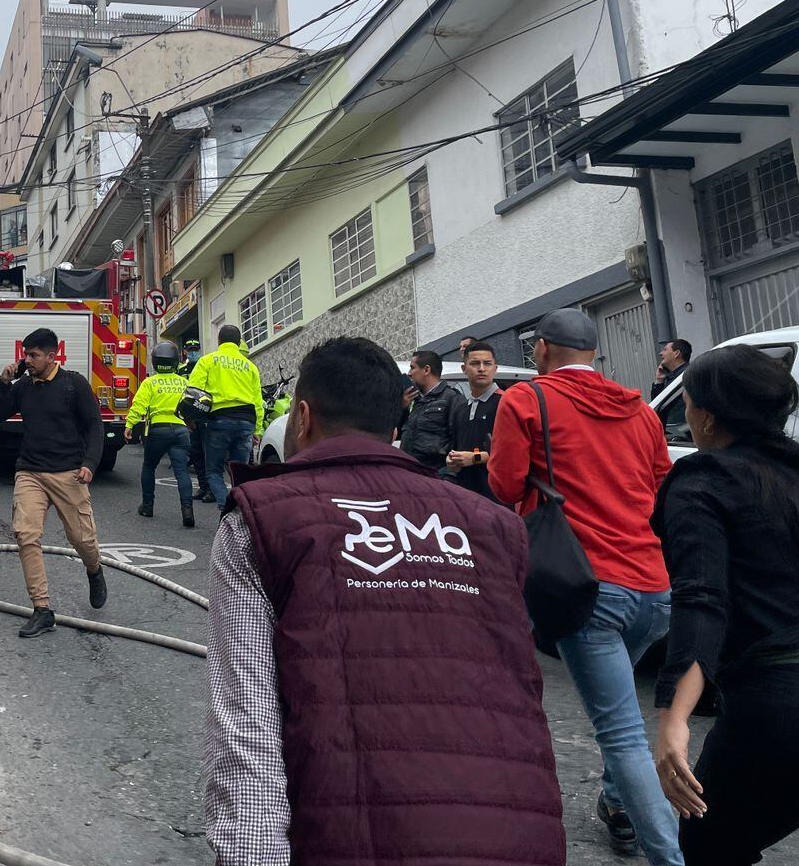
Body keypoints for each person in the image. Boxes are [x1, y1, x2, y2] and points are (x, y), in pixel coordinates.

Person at [202, 335, 564, 866]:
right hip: (519, 838)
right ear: (395, 428)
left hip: (353, 841)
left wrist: (252, 854)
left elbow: (246, 714)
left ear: (302, 416)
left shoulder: (264, 519)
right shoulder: (496, 527)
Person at [649, 345, 799, 862]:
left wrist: (672, 720)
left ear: (705, 416)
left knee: (709, 840)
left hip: (785, 710)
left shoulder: (703, 479)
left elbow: (701, 599)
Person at [489, 308, 680, 864]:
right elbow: (662, 487)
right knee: (622, 717)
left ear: (542, 350)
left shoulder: (525, 401)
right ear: (593, 353)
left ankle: (670, 856)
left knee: (621, 733)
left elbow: (502, 485)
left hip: (585, 589)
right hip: (655, 590)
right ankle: (619, 803)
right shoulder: (641, 411)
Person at [0, 326, 107, 638]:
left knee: (82, 540)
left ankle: (94, 569)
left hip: (69, 472)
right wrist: (3, 382)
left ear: (53, 356)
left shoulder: (73, 384)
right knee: (25, 535)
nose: (28, 359)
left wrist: (90, 464)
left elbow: (94, 426)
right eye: (26, 354)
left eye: (34, 355)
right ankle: (42, 609)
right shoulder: (23, 386)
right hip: (31, 471)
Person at [187, 325, 263, 507]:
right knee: (239, 473)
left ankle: (226, 509)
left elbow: (193, 392)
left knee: (213, 472)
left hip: (219, 421)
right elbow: (257, 401)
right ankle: (241, 510)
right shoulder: (250, 367)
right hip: (246, 422)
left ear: (219, 341)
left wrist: (189, 418)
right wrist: (258, 429)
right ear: (238, 343)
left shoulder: (207, 361)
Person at [125, 339, 195, 527]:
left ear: (156, 362)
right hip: (180, 431)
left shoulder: (150, 383)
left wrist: (129, 425)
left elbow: (139, 405)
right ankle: (187, 510)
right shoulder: (184, 382)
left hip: (158, 430)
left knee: (149, 467)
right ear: (175, 361)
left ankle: (147, 506)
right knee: (181, 471)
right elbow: (192, 406)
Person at [444, 339, 500, 501]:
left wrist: (474, 458)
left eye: (487, 363)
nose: (482, 369)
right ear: (464, 368)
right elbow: (456, 447)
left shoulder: (506, 403)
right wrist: (452, 460)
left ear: (495, 369)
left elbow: (513, 454)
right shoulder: (461, 409)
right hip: (466, 496)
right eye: (475, 363)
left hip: (497, 497)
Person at [398, 349, 458, 473]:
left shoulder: (451, 398)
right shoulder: (416, 401)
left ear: (426, 370)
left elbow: (456, 440)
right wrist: (403, 407)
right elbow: (400, 433)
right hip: (411, 471)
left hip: (434, 473)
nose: (409, 373)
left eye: (412, 368)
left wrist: (446, 474)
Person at [179, 339, 214, 503]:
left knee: (209, 454)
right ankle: (202, 486)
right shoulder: (181, 370)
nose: (193, 352)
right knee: (196, 453)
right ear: (185, 351)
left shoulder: (207, 365)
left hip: (205, 414)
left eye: (196, 349)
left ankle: (211, 490)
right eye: (190, 349)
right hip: (190, 417)